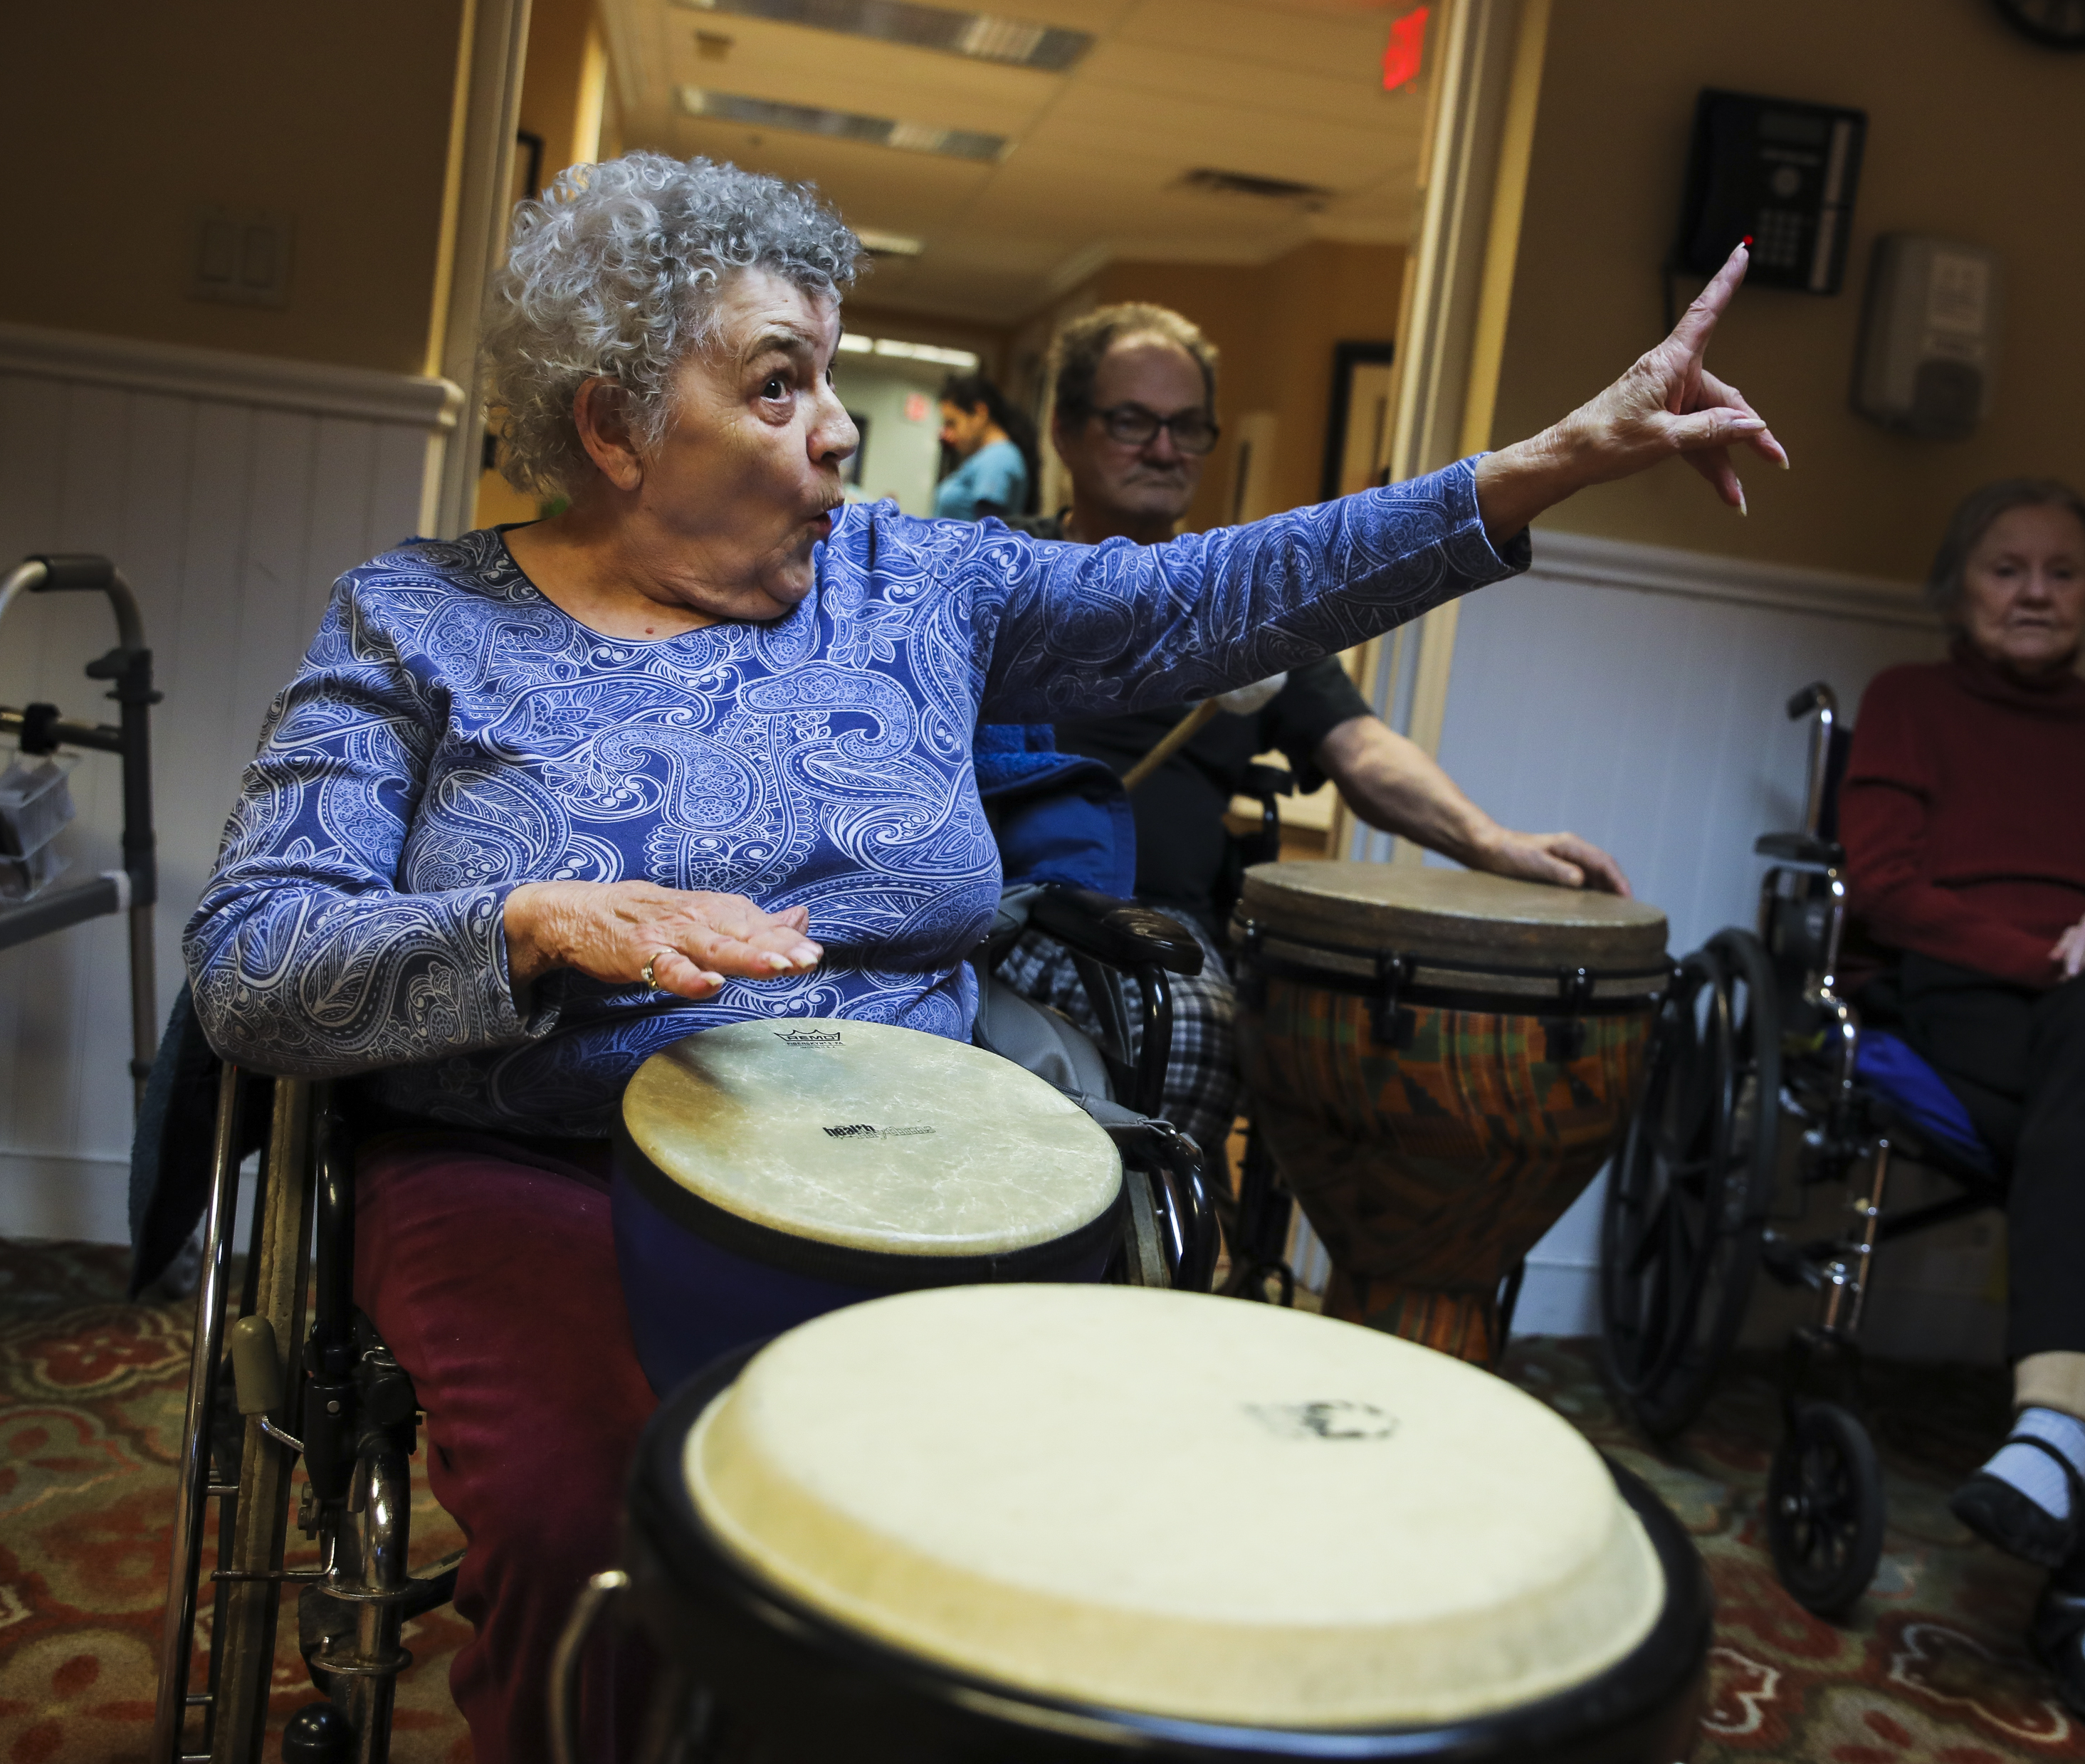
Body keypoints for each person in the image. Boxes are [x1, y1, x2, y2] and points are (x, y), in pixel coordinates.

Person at [182, 150, 1782, 1764]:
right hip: (534, 1164)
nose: (836, 425)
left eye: (831, 375)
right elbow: (255, 954)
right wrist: (536, 926)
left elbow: (1209, 598)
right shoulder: (418, 622)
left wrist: (1545, 466)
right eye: (777, 382)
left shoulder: (916, 581)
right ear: (611, 426)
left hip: (911, 1174)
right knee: (595, 1514)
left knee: (1013, 1524)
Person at [999, 302, 1632, 1161]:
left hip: (1156, 926)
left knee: (1181, 1027)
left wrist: (1490, 842)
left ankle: (1129, 1269)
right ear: (1066, 432)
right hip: (1004, 907)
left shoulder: (1244, 612)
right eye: (1132, 422)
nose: (1164, 449)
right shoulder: (996, 577)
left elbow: (1362, 748)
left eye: (1188, 427)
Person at [1839, 479, 2085, 1745]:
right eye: (2008, 568)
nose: (2037, 591)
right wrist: (2065, 953)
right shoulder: (1911, 702)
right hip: (1973, 998)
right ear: (1959, 586)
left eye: (2062, 571)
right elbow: (1886, 892)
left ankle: (2054, 1433)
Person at [933, 372, 1029, 520]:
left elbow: (988, 533)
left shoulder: (998, 459)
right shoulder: (986, 457)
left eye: (952, 423)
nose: (948, 434)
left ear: (979, 413)